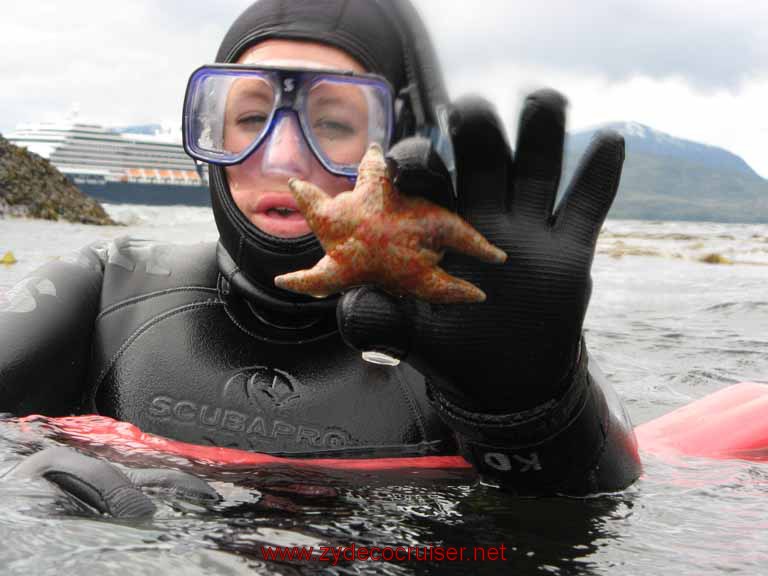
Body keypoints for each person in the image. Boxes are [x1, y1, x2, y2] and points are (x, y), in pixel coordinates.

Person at [0, 0, 641, 509]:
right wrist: (25, 486)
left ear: (402, 148)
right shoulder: (106, 288)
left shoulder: (471, 327)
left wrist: (526, 411)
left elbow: (588, 520)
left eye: (332, 124)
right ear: (207, 133)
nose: (280, 158)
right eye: (249, 118)